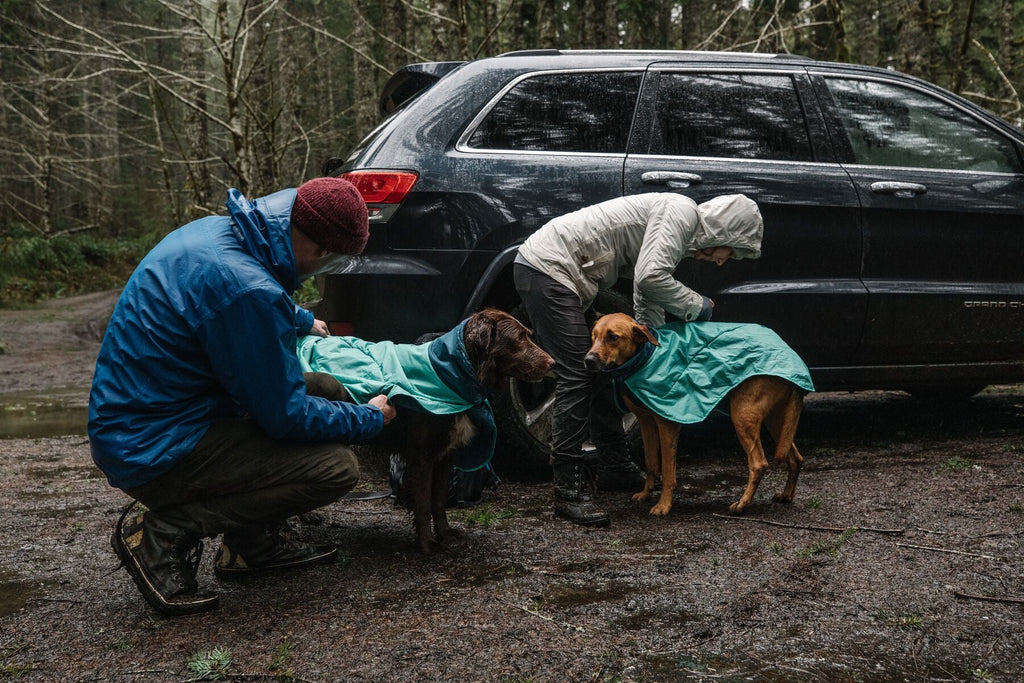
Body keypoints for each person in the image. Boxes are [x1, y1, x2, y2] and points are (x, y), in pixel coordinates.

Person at [89, 177, 398, 616]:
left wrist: (298, 318)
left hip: (158, 414)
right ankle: (162, 533)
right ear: (321, 252)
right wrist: (369, 419)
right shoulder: (249, 291)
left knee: (326, 389)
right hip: (151, 447)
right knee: (334, 468)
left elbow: (231, 295)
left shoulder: (226, 233)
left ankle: (251, 545)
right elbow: (285, 416)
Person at [514, 192, 764, 527]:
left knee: (602, 368)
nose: (721, 261)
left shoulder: (681, 228)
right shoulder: (681, 212)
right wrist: (696, 306)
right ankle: (568, 491)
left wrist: (658, 347)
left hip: (562, 274)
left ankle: (615, 466)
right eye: (729, 252)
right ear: (724, 233)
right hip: (548, 268)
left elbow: (646, 291)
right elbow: (650, 277)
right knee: (577, 373)